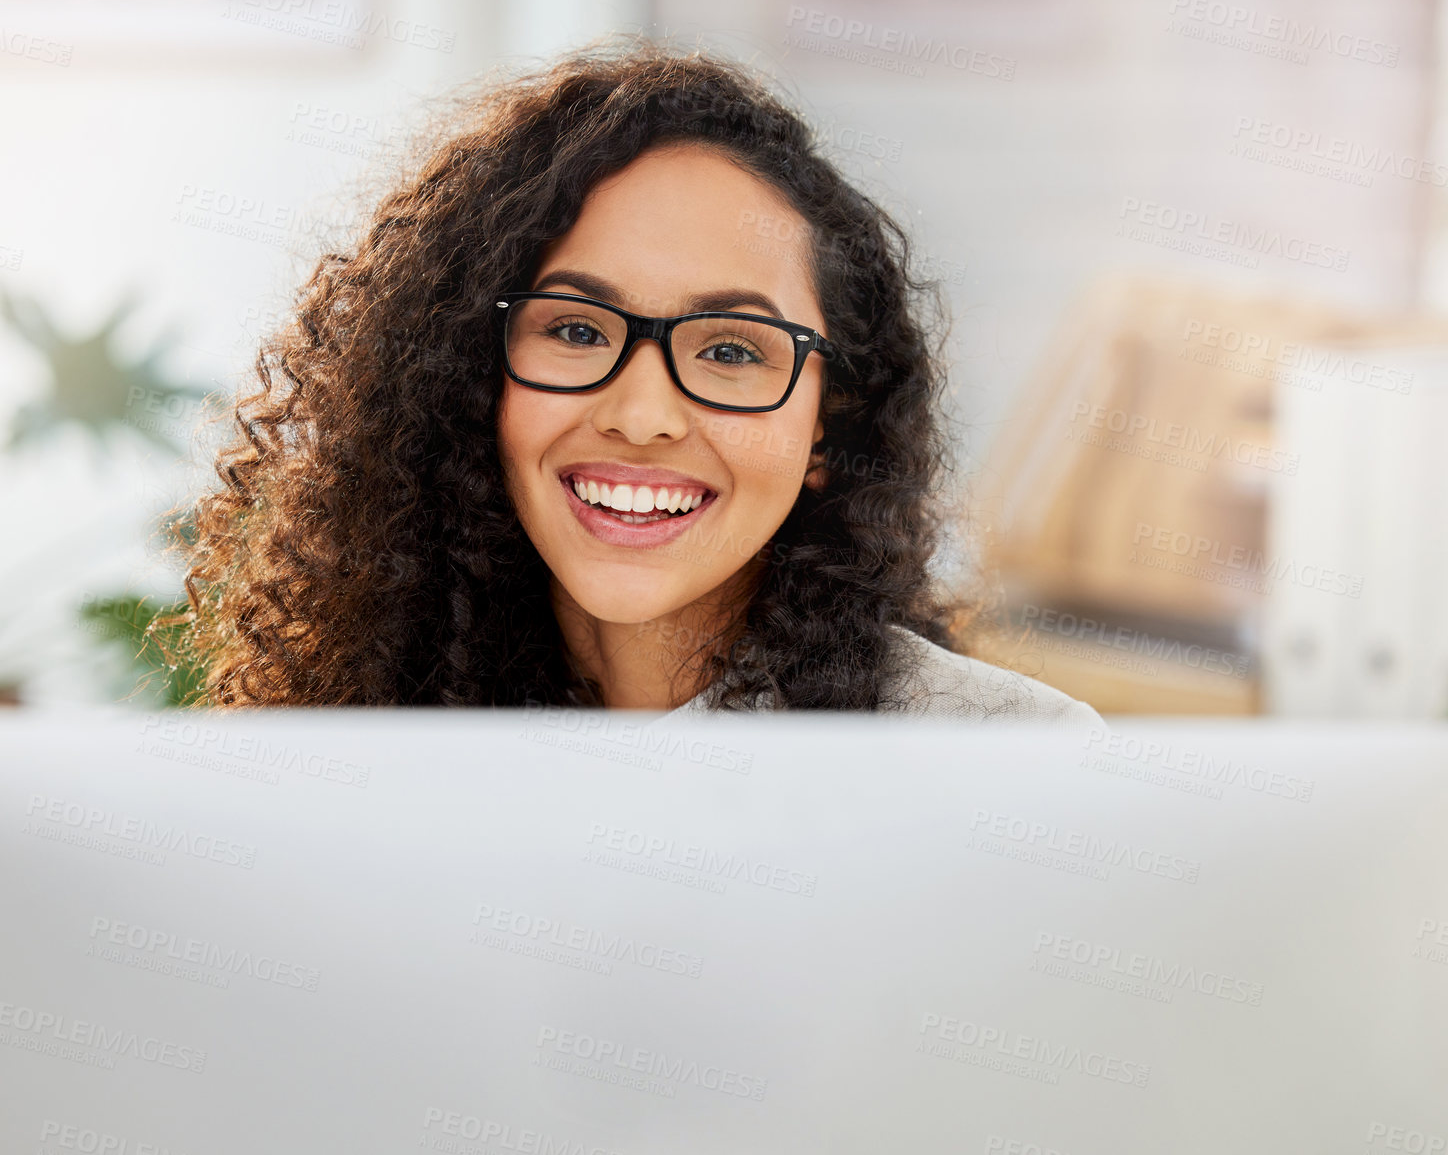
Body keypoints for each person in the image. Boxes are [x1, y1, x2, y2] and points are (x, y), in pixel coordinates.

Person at [166, 39, 1101, 728]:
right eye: (575, 329)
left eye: (732, 350)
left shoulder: (1009, 761)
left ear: (828, 424)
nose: (643, 415)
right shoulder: (327, 757)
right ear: (467, 382)